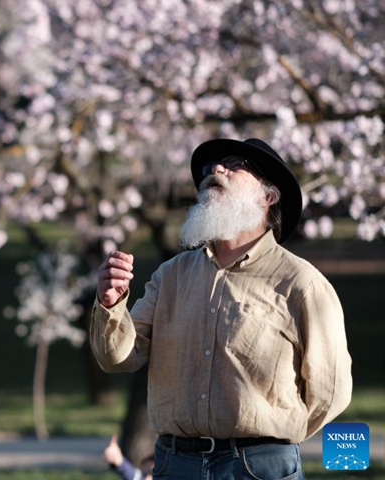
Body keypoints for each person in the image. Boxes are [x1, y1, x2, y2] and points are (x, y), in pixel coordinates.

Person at [90, 138, 353, 479]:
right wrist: (110, 304)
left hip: (260, 467)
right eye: (211, 167)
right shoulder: (171, 276)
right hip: (175, 464)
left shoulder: (301, 283)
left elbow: (331, 391)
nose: (215, 169)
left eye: (235, 165)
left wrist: (273, 438)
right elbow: (119, 357)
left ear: (268, 197)